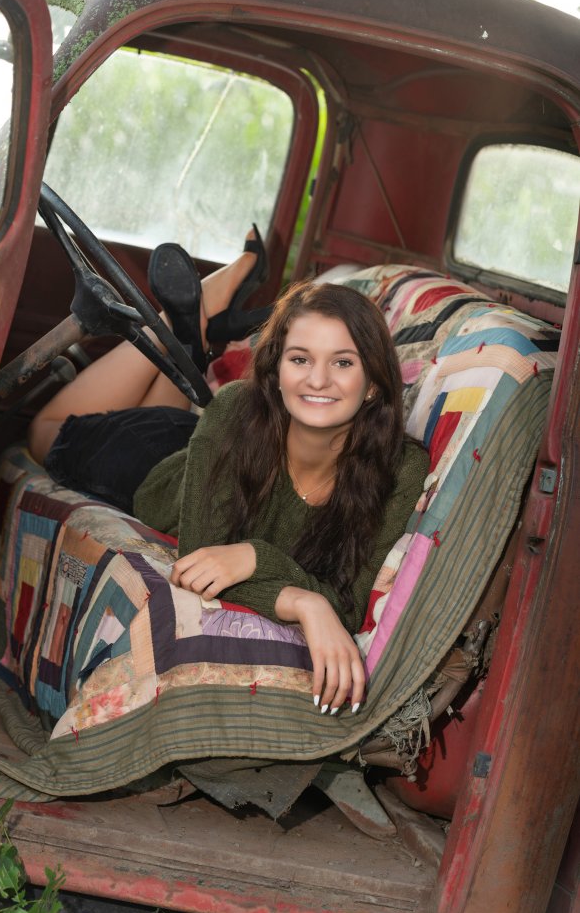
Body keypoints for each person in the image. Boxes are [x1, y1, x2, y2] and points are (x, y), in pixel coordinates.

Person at [28, 240, 428, 719]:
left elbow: (347, 603)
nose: (318, 380)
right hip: (151, 462)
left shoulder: (399, 468)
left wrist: (273, 574)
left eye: (342, 362)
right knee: (42, 432)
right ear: (276, 372)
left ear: (375, 384)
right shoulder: (238, 406)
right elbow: (198, 562)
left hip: (208, 444)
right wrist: (296, 593)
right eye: (300, 359)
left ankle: (188, 332)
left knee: (183, 422)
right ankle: (179, 322)